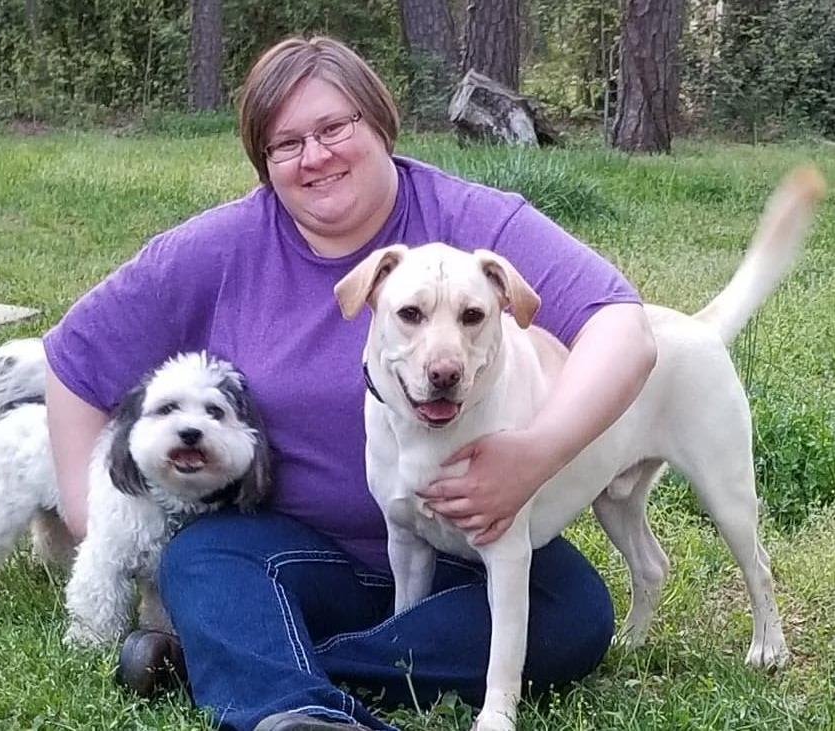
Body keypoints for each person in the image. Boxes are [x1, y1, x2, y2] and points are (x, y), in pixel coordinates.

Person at [43, 36, 657, 731]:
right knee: (200, 561)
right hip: (288, 552)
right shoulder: (220, 246)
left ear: (378, 123)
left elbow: (622, 328)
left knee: (573, 612)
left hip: (466, 553)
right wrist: (91, 526)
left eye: (335, 127)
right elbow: (75, 356)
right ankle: (293, 704)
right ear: (262, 162)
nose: (315, 155)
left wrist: (537, 452)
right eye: (284, 143)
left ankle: (241, 664)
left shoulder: (472, 220)